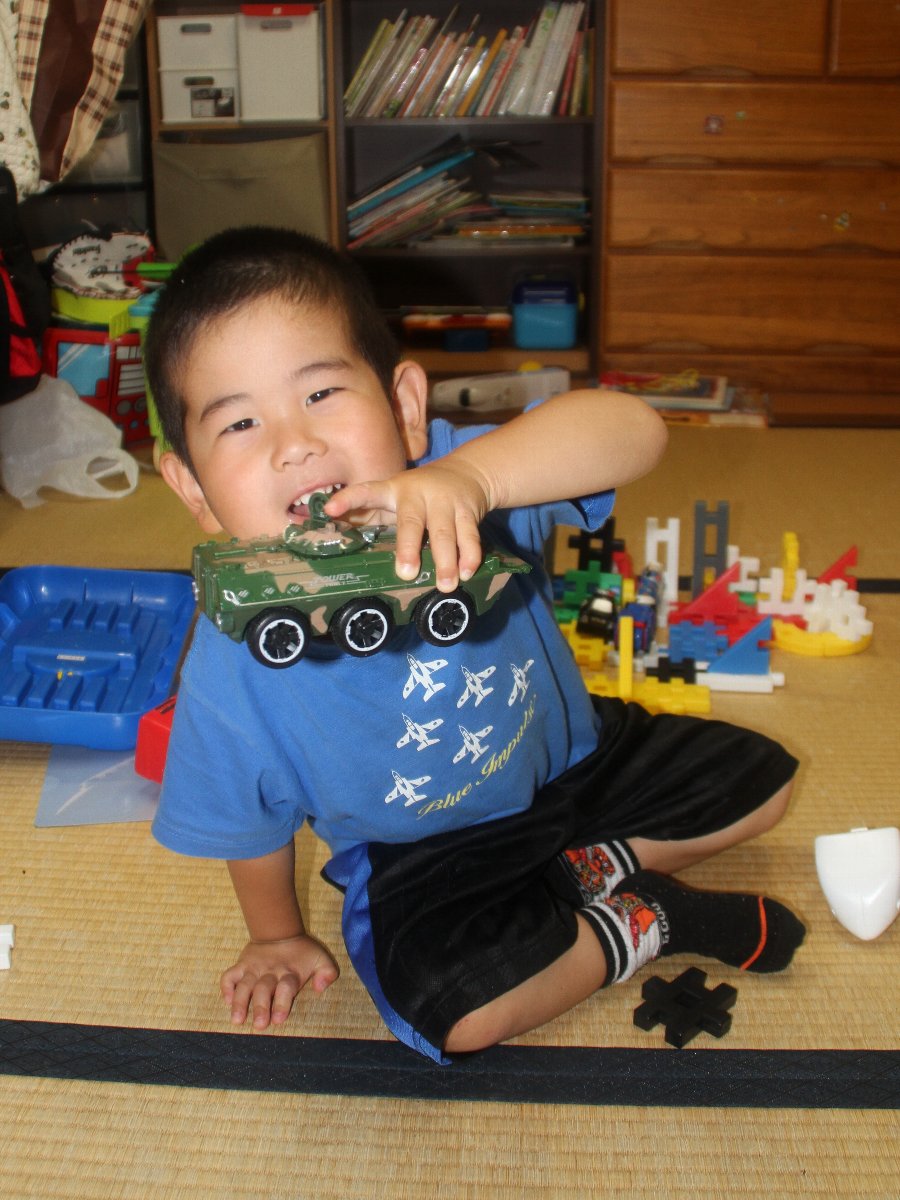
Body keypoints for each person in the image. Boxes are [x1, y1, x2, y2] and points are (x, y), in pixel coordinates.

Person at [144, 226, 805, 1064]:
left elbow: (634, 429)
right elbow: (250, 818)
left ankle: (577, 869)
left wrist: (477, 478)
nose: (294, 443)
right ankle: (645, 920)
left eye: (320, 393)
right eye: (240, 422)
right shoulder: (235, 650)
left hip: (572, 764)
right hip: (423, 848)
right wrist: (275, 936)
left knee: (767, 785)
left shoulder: (470, 482)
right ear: (192, 487)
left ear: (406, 408)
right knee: (453, 1009)